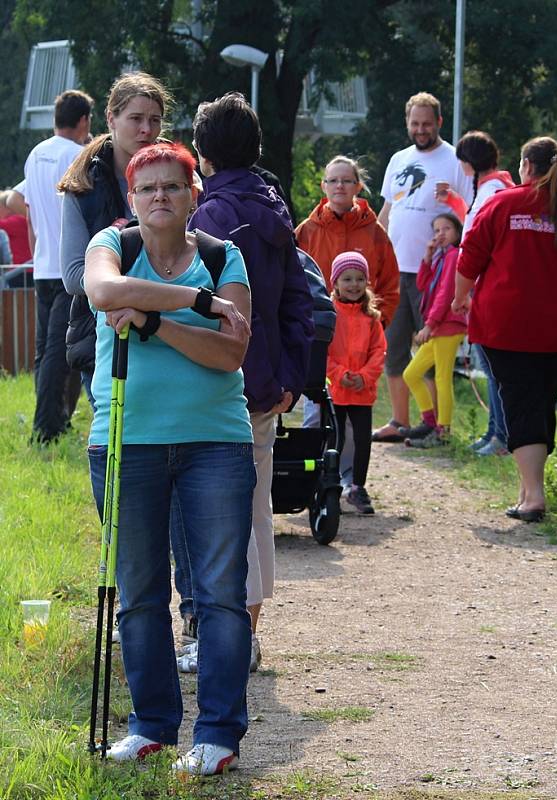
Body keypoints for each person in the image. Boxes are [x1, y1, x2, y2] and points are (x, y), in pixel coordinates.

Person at [84, 141, 255, 775]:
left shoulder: (221, 255)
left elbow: (231, 353)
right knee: (140, 592)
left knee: (217, 594)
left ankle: (217, 734)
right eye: (148, 187)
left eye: (173, 187)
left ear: (193, 196)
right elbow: (103, 292)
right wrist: (195, 303)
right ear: (132, 199)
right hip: (127, 443)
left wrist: (154, 322)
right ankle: (152, 725)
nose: (161, 196)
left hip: (215, 442)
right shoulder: (113, 244)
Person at [184, 92, 314, 671]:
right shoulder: (274, 207)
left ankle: (228, 634)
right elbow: (297, 299)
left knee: (216, 511)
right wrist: (291, 376)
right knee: (255, 505)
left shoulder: (211, 216)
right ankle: (251, 630)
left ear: (201, 154)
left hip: (220, 381)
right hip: (265, 383)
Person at [453, 136, 557, 522]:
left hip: (506, 324)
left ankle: (534, 497)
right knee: (540, 403)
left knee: (521, 404)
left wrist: (460, 300)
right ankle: (528, 491)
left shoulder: (502, 204)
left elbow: (469, 256)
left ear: (526, 166)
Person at [59, 72, 170, 408]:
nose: (146, 130)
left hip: (170, 332)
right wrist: (129, 281)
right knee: (114, 445)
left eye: (155, 120)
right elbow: (73, 276)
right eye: (135, 118)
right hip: (102, 338)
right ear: (111, 118)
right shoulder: (82, 188)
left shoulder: (181, 176)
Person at [372, 92, 472, 443]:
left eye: (427, 124)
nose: (421, 129)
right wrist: (376, 254)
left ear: (439, 123)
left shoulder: (455, 161)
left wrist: (455, 201)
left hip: (436, 274)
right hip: (396, 270)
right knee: (394, 349)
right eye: (415, 123)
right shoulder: (399, 159)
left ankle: (434, 424)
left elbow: (470, 217)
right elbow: (387, 211)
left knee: (429, 356)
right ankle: (400, 421)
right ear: (407, 123)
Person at [295, 154, 399, 486]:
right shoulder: (308, 230)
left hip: (362, 338)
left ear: (358, 186)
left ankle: (350, 482)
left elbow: (390, 284)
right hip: (320, 339)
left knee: (355, 423)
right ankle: (315, 480)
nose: (340, 186)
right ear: (324, 186)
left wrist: (375, 327)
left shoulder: (375, 232)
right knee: (316, 412)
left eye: (347, 180)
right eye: (333, 180)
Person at [437, 131, 515, 456]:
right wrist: (456, 200)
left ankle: (501, 436)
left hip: (488, 290)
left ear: (467, 164)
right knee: (490, 366)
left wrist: (461, 293)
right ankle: (495, 431)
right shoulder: (496, 187)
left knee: (493, 368)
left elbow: (473, 242)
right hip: (490, 289)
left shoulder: (491, 191)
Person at [24, 89, 94, 443]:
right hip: (69, 267)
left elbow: (25, 206)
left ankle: (51, 418)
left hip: (42, 267)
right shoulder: (80, 156)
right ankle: (48, 426)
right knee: (60, 352)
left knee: (45, 352)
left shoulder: (35, 154)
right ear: (83, 121)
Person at [327, 251, 385, 513]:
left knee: (363, 440)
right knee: (334, 440)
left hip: (362, 391)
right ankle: (330, 485)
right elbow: (324, 352)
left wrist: (364, 377)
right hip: (337, 389)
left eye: (360, 279)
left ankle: (358, 487)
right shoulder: (330, 314)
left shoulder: (371, 318)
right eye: (347, 279)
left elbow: (378, 351)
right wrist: (339, 374)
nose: (354, 285)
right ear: (335, 283)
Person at [402, 212, 466, 448]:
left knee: (442, 378)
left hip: (448, 325)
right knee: (411, 374)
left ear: (457, 232)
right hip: (439, 327)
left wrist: (430, 324)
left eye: (446, 229)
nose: (440, 234)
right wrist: (427, 257)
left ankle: (444, 432)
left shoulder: (455, 255)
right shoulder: (441, 258)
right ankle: (430, 422)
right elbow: (422, 284)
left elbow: (447, 291)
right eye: (436, 230)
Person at [0, 189, 30, 264]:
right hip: (26, 267)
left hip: (19, 270)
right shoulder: (22, 218)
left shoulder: (15, 220)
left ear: (6, 207)